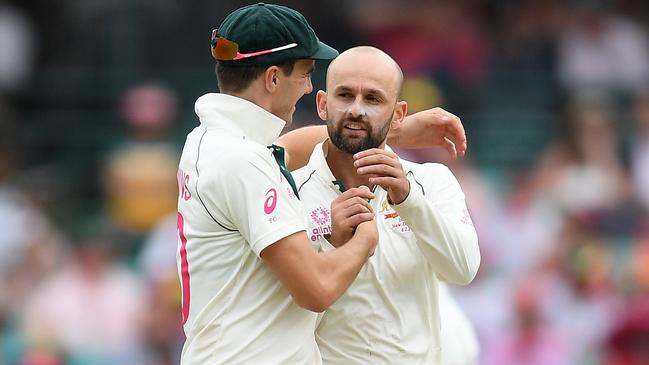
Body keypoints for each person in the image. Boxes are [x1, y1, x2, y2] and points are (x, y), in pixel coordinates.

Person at [177, 4, 468, 364]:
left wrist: (390, 129)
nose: (309, 86)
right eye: (305, 73)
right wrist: (365, 238)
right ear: (272, 79)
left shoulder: (210, 142)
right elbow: (317, 289)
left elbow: (290, 148)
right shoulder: (243, 162)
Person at [292, 46, 480, 364]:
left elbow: (463, 270)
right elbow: (281, 309)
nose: (356, 110)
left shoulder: (431, 180)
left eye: (373, 99)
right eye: (345, 95)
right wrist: (328, 244)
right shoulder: (292, 190)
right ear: (323, 104)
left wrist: (408, 199)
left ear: (399, 115)